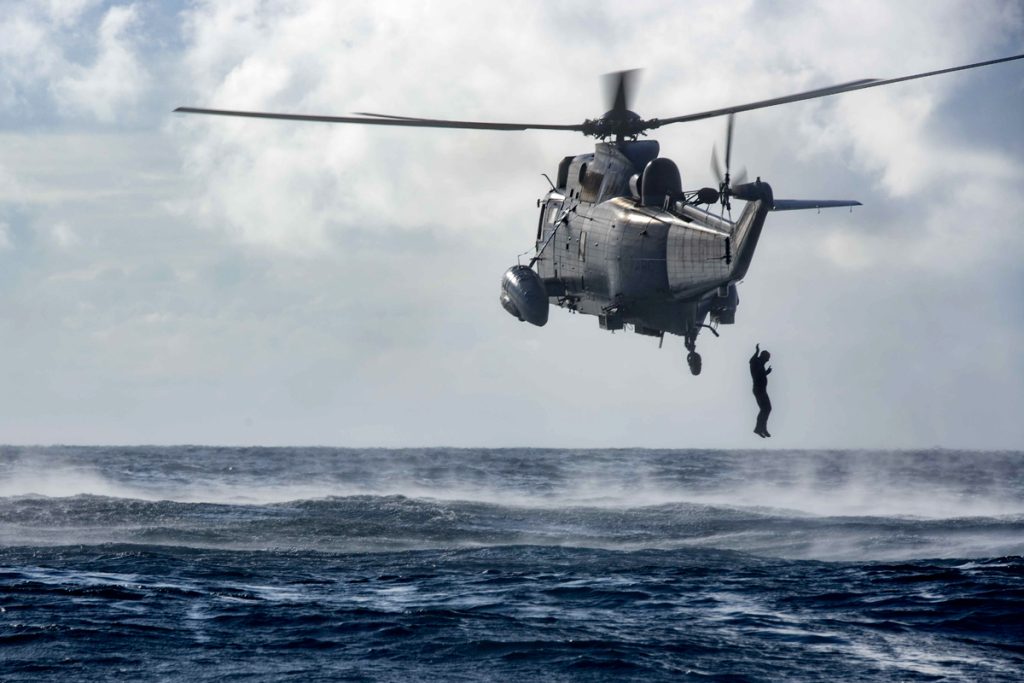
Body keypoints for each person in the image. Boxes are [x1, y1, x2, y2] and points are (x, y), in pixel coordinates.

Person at [749, 343, 772, 438]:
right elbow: (752, 365)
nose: (768, 360)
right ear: (763, 357)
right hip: (759, 390)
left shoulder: (760, 364)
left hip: (761, 390)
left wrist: (766, 372)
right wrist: (757, 351)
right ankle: (759, 429)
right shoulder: (756, 362)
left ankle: (761, 428)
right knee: (766, 408)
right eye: (767, 358)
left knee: (766, 409)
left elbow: (760, 375)